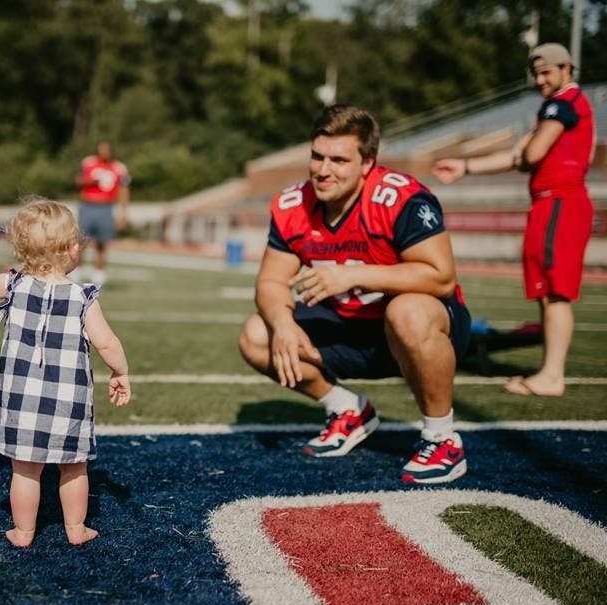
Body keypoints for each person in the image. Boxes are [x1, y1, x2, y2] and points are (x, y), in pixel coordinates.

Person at [238, 104, 472, 484]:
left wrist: (355, 275)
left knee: (408, 312)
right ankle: (347, 409)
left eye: (338, 160)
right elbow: (270, 281)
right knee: (256, 334)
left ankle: (442, 436)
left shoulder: (400, 198)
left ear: (367, 163)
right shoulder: (293, 204)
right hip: (349, 327)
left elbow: (440, 277)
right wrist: (282, 323)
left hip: (418, 328)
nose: (323, 170)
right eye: (317, 156)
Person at [432, 43, 595, 398]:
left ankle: (553, 375)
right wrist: (466, 166)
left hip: (560, 202)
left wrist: (526, 150)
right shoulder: (555, 108)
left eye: (546, 72)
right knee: (546, 292)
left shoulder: (562, 104)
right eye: (536, 73)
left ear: (566, 68)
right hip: (549, 203)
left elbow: (531, 153)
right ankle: (549, 371)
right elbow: (519, 153)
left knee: (555, 293)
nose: (539, 80)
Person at [0, 199, 131, 546]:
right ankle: (75, 528)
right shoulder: (83, 296)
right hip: (68, 402)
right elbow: (108, 343)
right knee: (74, 466)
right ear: (73, 249)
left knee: (24, 468)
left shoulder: (14, 285)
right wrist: (120, 372)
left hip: (21, 399)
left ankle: (24, 532)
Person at [74, 140, 130, 286]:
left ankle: (98, 276)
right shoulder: (88, 162)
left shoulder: (119, 167)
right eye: (101, 149)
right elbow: (77, 181)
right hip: (88, 205)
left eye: (106, 149)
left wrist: (123, 213)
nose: (103, 152)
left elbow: (124, 190)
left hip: (106, 207)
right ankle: (76, 272)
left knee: (102, 243)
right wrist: (90, 182)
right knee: (81, 241)